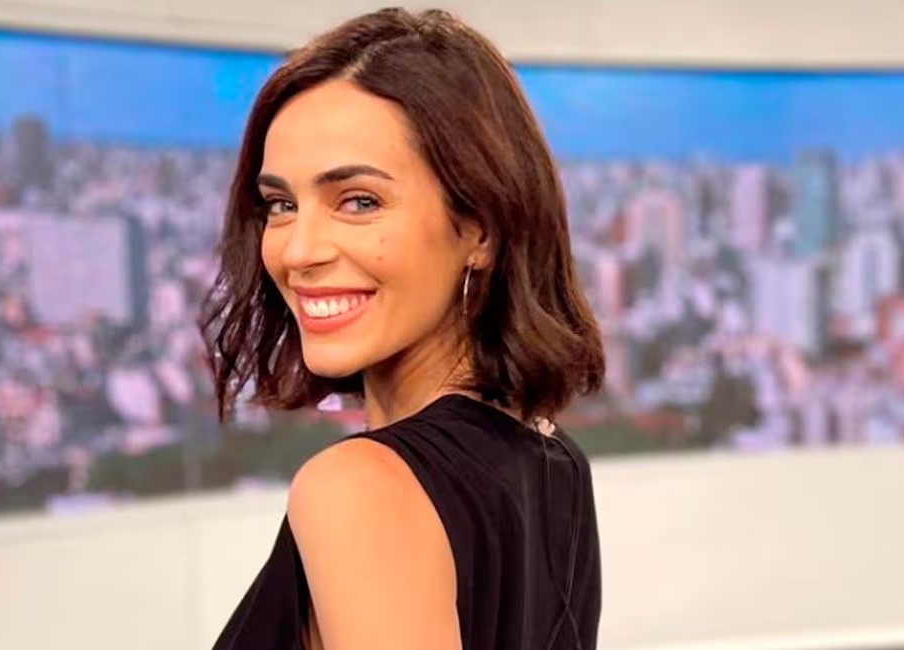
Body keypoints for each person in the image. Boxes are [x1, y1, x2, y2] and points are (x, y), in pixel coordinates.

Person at [201, 7, 606, 650]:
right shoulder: (556, 461)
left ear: (480, 228)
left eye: (359, 201)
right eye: (281, 204)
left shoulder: (357, 490)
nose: (298, 250)